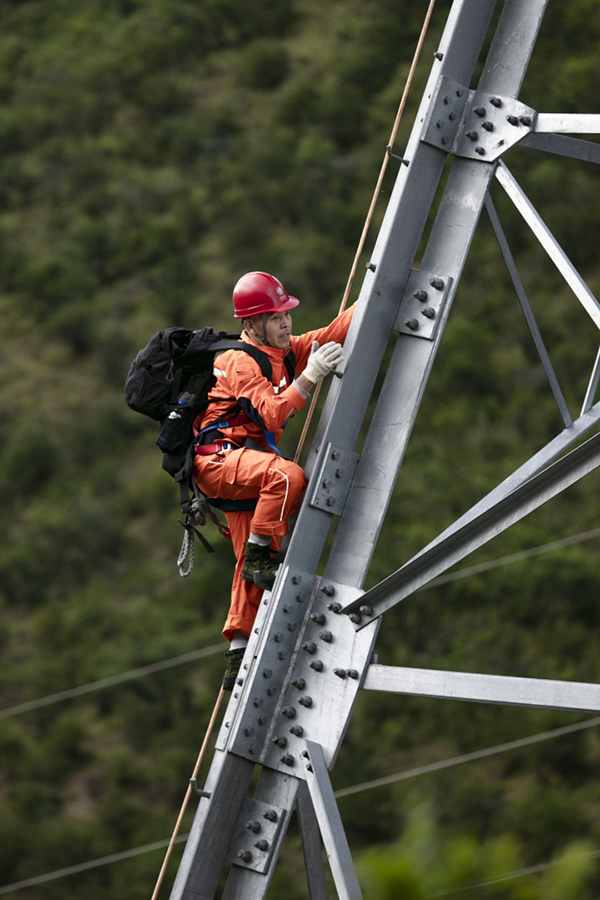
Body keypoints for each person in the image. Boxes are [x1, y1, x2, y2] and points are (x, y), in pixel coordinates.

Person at [193, 271, 355, 690]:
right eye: (275, 316)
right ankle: (259, 552)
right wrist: (309, 377)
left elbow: (336, 330)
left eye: (286, 314)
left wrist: (378, 293)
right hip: (219, 462)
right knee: (287, 478)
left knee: (253, 563)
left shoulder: (283, 353)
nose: (286, 323)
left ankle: (237, 652)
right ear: (252, 324)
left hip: (242, 464)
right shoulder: (238, 360)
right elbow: (270, 413)